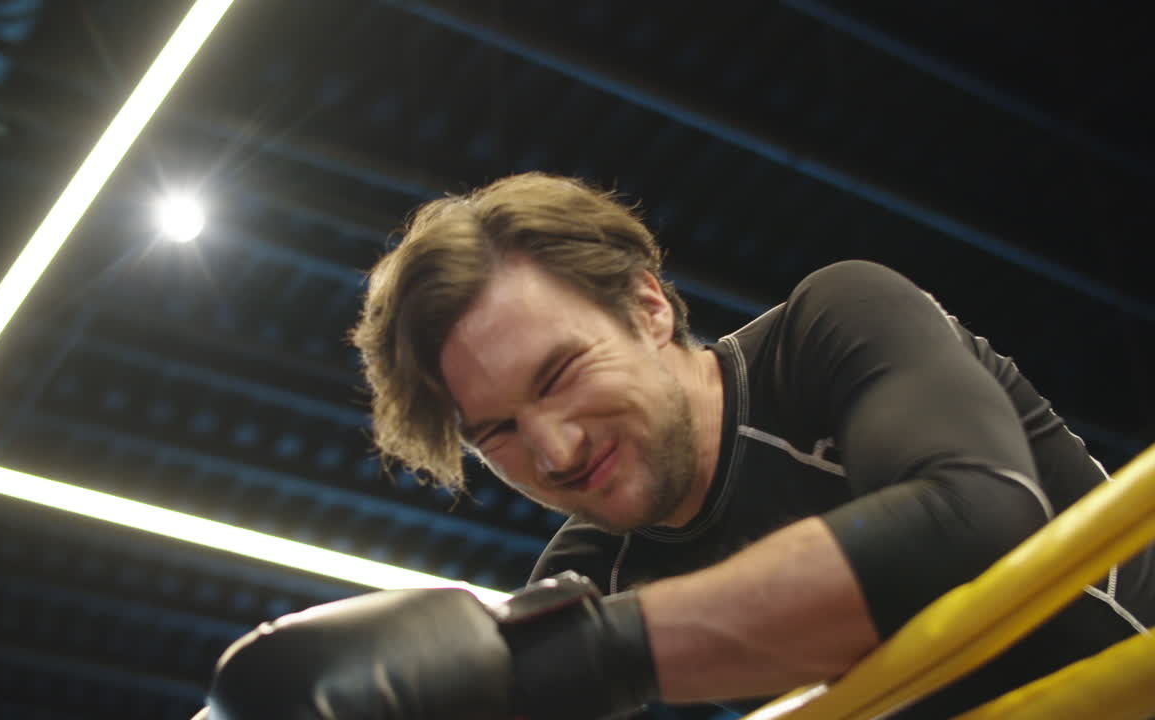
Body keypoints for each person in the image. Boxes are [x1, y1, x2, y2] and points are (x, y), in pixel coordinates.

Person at [197, 173, 1154, 719]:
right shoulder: (590, 574)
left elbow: (977, 523)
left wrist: (574, 660)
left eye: (560, 374)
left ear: (649, 307)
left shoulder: (829, 327)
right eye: (497, 433)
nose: (556, 450)